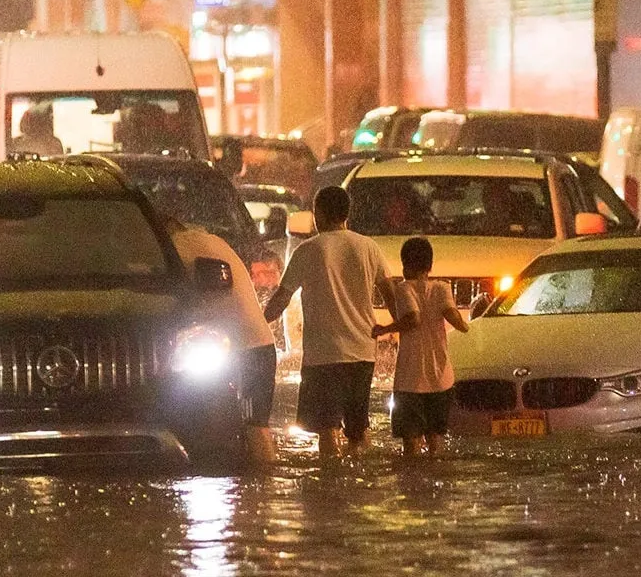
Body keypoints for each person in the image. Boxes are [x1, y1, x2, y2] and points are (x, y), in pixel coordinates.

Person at [264, 186, 397, 458]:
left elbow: (282, 298)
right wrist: (401, 329)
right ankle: (361, 482)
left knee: (327, 430)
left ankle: (330, 485)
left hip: (324, 357)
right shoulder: (368, 247)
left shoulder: (308, 249)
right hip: (363, 353)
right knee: (359, 430)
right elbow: (391, 294)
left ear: (319, 214)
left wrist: (257, 323)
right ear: (346, 214)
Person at [169, 222, 278, 465]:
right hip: (257, 345)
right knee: (252, 425)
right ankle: (258, 491)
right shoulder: (212, 240)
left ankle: (263, 483)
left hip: (245, 349)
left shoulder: (176, 247)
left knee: (253, 426)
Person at [372, 237, 469, 457]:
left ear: (405, 266)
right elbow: (454, 318)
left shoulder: (404, 288)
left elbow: (413, 319)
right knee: (436, 441)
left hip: (410, 381)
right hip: (441, 378)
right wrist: (467, 326)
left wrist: (384, 329)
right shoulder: (443, 288)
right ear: (430, 266)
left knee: (411, 444)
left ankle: (414, 486)